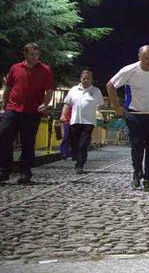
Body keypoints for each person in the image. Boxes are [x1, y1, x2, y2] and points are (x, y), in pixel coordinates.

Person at [107, 45, 149, 193]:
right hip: (134, 113)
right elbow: (110, 86)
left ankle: (148, 178)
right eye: (145, 59)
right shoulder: (129, 70)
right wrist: (117, 107)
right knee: (137, 144)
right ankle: (137, 172)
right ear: (139, 57)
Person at [0, 43, 55, 184]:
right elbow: (8, 87)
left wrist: (45, 104)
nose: (35, 57)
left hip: (32, 111)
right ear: (25, 54)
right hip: (12, 109)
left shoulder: (45, 70)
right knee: (4, 135)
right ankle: (4, 169)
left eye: (37, 55)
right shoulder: (15, 68)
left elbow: (49, 90)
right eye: (32, 54)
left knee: (28, 142)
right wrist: (4, 106)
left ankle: (25, 172)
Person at [60, 70, 104, 174]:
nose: (86, 80)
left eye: (88, 78)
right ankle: (75, 155)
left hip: (89, 122)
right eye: (84, 78)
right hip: (75, 121)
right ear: (80, 78)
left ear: (91, 79)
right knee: (74, 143)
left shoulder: (96, 91)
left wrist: (99, 112)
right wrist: (63, 115)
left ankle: (80, 165)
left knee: (83, 144)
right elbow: (67, 103)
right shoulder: (74, 90)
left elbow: (101, 105)